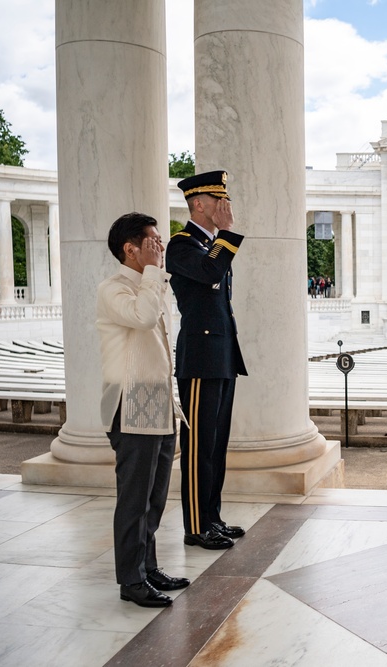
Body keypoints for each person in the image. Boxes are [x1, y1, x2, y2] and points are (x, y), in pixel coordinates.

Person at [96, 212, 190, 607]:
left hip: (158, 403)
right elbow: (143, 316)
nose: (160, 247)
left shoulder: (152, 282)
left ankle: (147, 568)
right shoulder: (113, 288)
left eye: (159, 241)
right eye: (152, 241)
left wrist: (153, 274)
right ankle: (131, 582)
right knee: (133, 499)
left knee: (154, 497)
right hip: (130, 406)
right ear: (129, 249)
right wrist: (153, 271)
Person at [168, 170, 248, 550]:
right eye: (220, 201)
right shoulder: (182, 245)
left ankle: (212, 518)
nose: (226, 207)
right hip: (200, 358)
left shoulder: (211, 245)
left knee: (216, 445)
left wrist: (222, 238)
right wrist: (228, 234)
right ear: (199, 204)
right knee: (198, 446)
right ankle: (196, 526)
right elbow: (210, 272)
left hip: (221, 355)